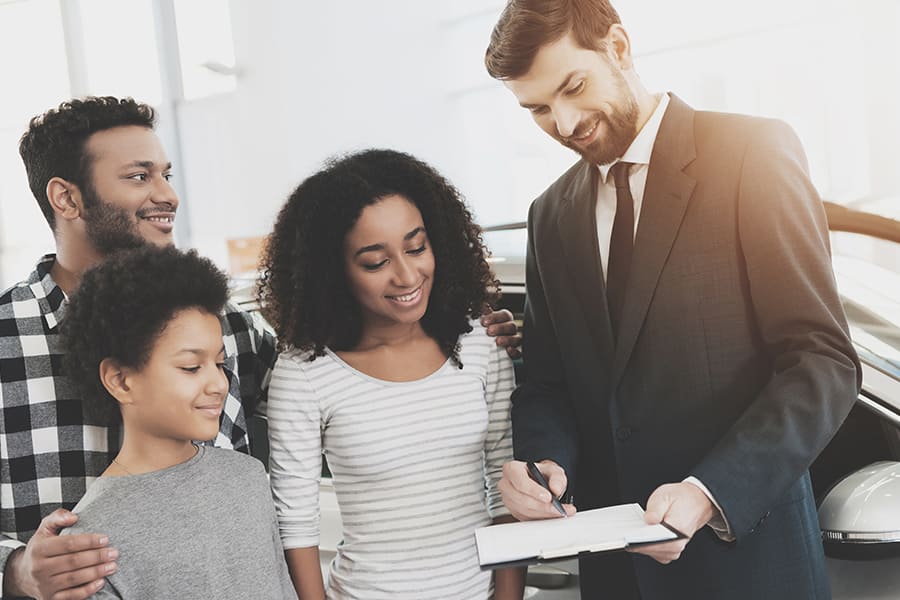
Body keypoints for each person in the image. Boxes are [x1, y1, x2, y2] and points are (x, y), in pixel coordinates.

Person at [0, 96, 518, 599]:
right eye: (139, 177)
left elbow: (354, 382)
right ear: (66, 198)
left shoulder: (231, 331)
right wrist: (18, 571)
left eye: (166, 174)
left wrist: (471, 330)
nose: (167, 195)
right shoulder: (6, 338)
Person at [484, 2, 862, 599]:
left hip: (752, 569)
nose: (564, 122)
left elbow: (822, 360)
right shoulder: (550, 214)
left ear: (619, 47)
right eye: (536, 108)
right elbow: (549, 384)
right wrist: (544, 463)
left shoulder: (751, 153)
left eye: (573, 87)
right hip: (615, 577)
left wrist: (710, 492)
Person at [258, 149, 526, 600]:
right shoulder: (304, 372)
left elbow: (507, 492)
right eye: (375, 262)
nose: (407, 275)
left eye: (417, 247)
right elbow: (296, 526)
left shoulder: (480, 341)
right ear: (333, 272)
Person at [58, 245, 296, 599]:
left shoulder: (247, 477)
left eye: (219, 364)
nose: (218, 384)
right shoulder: (89, 543)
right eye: (191, 367)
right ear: (121, 381)